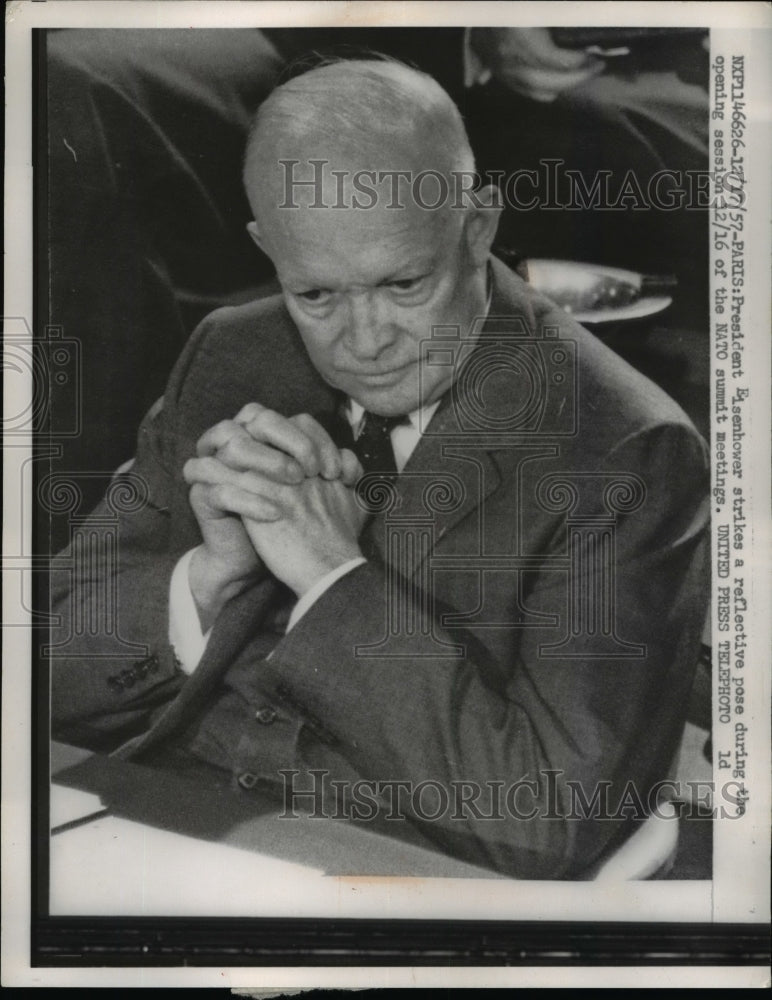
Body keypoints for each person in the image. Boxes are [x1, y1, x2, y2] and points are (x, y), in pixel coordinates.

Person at [50, 58, 709, 879]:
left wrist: (333, 578)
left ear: (477, 228)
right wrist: (207, 577)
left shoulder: (629, 448)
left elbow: (548, 820)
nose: (363, 342)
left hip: (391, 869)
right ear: (269, 248)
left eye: (402, 285)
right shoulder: (231, 351)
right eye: (315, 296)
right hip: (144, 816)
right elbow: (39, 671)